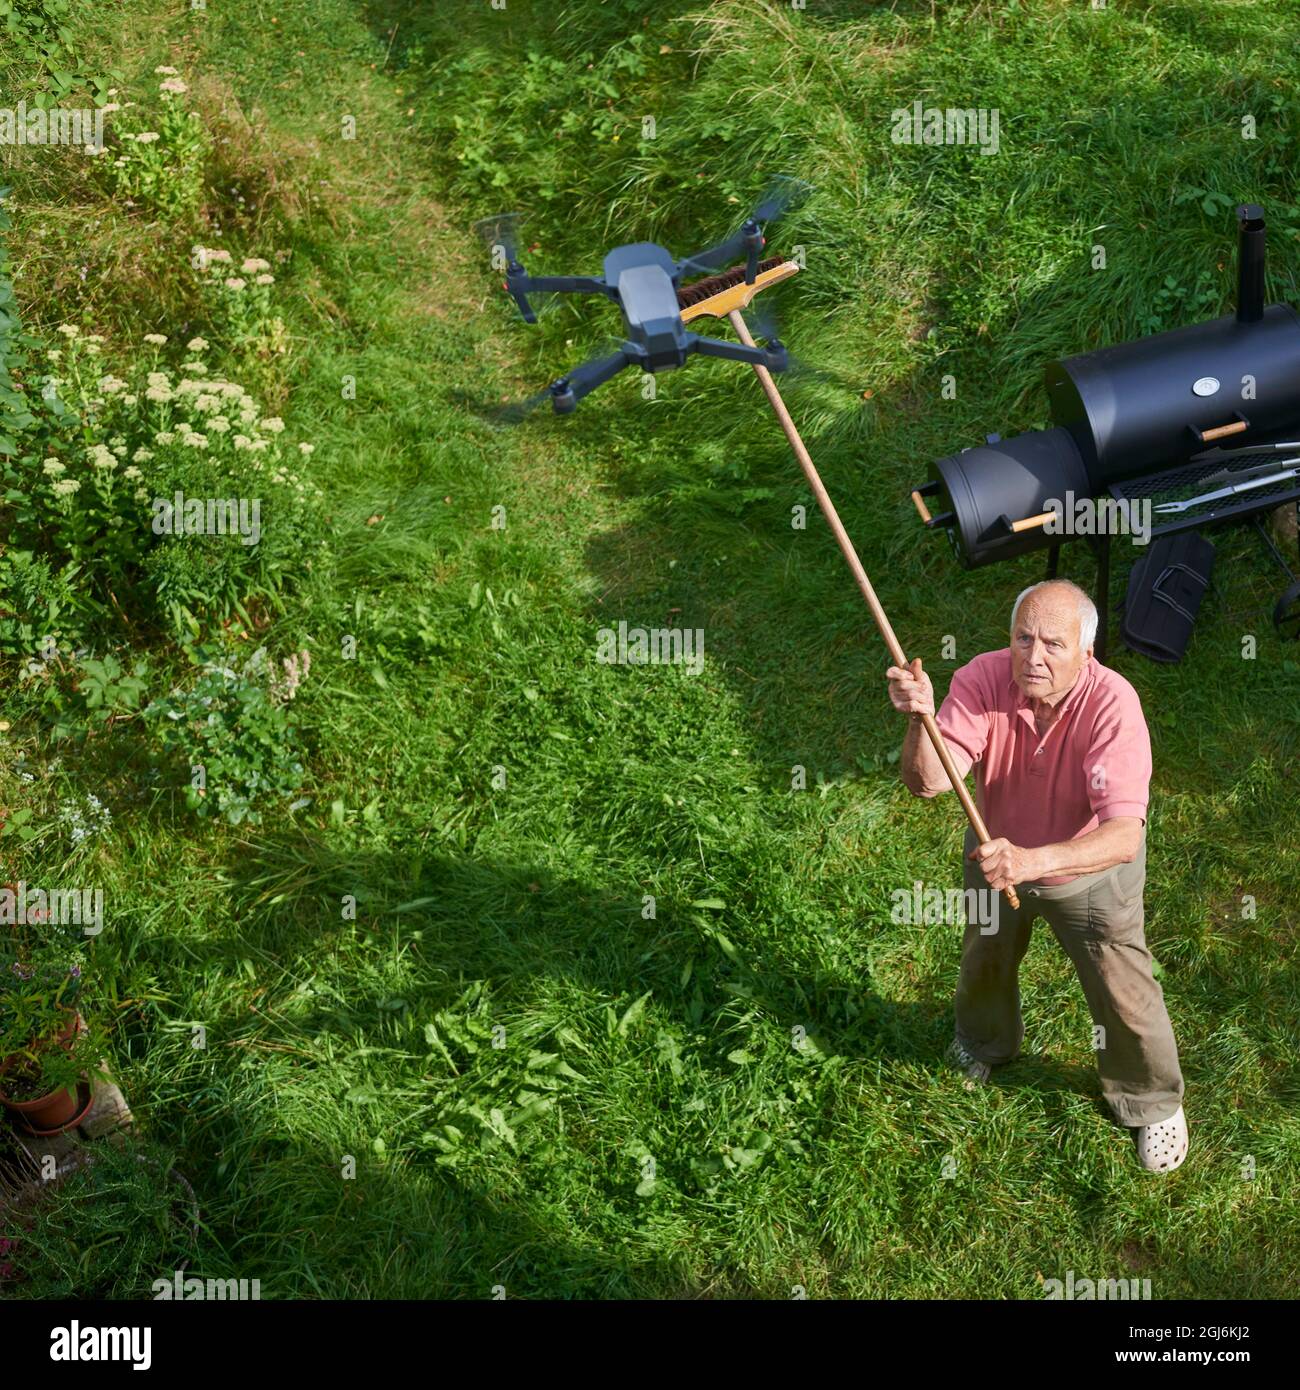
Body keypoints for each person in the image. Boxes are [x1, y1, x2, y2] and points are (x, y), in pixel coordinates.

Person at [885, 579, 1187, 1172]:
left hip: (1088, 870)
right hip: (996, 858)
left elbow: (1125, 836)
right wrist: (921, 718)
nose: (1034, 657)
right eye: (1023, 638)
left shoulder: (1112, 705)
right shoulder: (982, 678)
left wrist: (1033, 862)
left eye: (1053, 643)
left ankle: (1150, 1100)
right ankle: (984, 1041)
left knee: (1121, 984)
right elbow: (926, 783)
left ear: (1086, 652)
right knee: (985, 957)